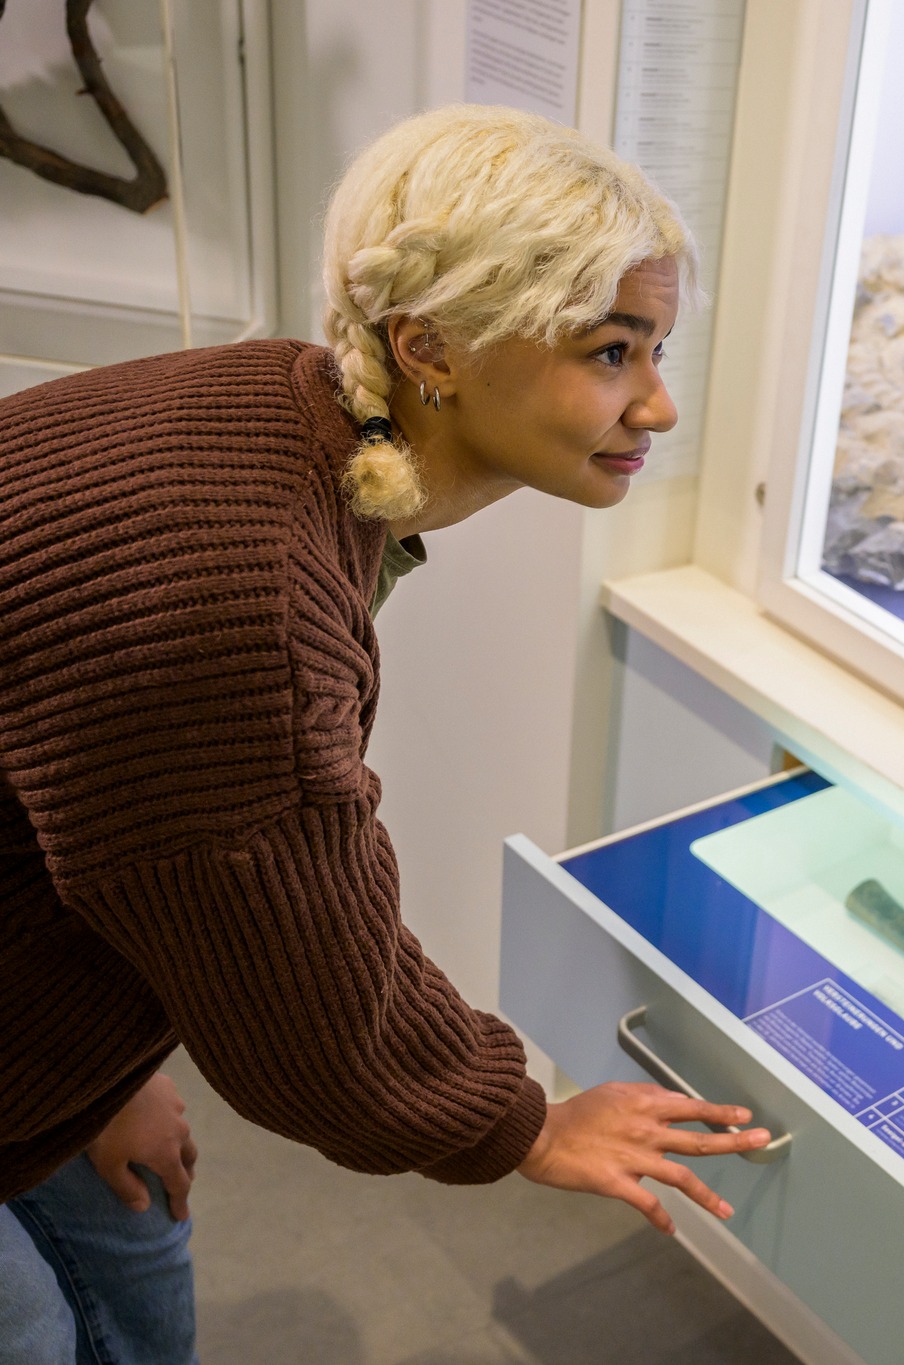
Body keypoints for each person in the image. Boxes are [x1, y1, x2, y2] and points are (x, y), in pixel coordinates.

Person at [0, 105, 769, 1363]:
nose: (659, 406)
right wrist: (519, 1125)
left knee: (134, 1253)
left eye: (657, 348)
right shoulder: (239, 596)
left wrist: (105, 1068)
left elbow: (122, 823)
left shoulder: (269, 401)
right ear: (433, 349)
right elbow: (298, 995)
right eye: (613, 351)